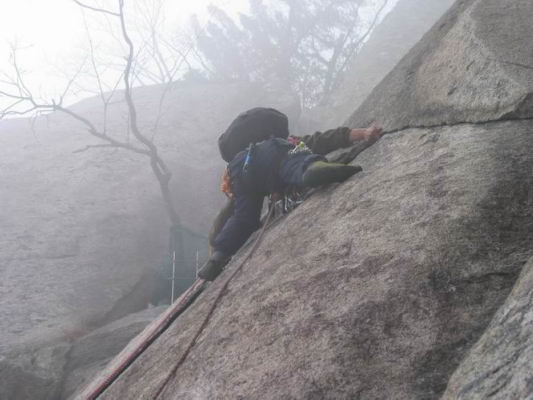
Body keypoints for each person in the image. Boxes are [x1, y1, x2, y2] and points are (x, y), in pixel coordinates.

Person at [199, 109, 382, 281]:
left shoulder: (237, 159)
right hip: (272, 152)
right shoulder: (282, 142)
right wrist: (363, 133)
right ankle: (311, 168)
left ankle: (218, 258)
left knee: (243, 217)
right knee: (293, 159)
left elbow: (231, 214)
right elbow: (323, 140)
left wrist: (216, 246)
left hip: (239, 171)